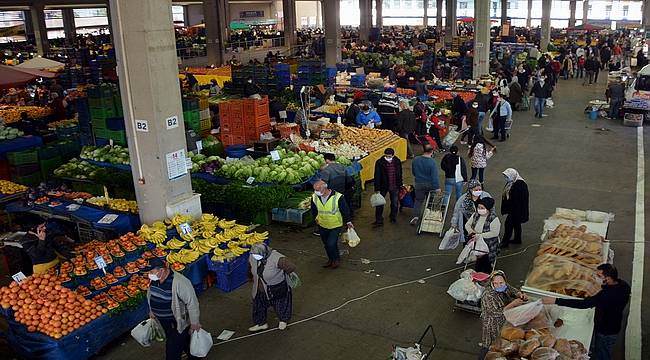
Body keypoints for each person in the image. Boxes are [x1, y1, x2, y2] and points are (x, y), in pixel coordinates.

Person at [542, 264, 631, 360]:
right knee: (602, 348)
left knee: (603, 353)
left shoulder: (606, 295)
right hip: (614, 323)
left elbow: (584, 304)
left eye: (599, 276)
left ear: (608, 278)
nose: (596, 278)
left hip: (605, 330)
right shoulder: (624, 285)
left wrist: (556, 301)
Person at [147, 258, 201, 360]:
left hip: (177, 322)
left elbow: (192, 303)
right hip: (164, 322)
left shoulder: (180, 282)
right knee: (184, 341)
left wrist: (195, 323)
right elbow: (150, 294)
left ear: (161, 270)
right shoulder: (154, 280)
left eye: (151, 271)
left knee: (172, 352)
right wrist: (151, 310)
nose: (149, 274)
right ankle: (195, 357)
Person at [478, 270, 529, 360]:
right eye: (495, 283)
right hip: (492, 323)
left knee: (502, 342)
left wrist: (520, 294)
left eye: (501, 283)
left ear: (504, 281)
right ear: (491, 283)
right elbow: (495, 313)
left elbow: (511, 290)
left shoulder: (504, 285)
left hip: (504, 320)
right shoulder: (488, 295)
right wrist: (513, 304)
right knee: (489, 344)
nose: (499, 285)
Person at [248, 243, 296, 332]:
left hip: (277, 287)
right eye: (254, 255)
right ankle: (261, 323)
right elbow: (251, 267)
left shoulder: (277, 258)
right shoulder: (252, 256)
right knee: (258, 305)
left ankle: (283, 320)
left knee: (281, 303)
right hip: (259, 287)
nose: (255, 257)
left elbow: (291, 267)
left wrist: (282, 274)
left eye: (257, 255)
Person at [311, 180, 353, 269]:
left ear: (324, 188)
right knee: (326, 244)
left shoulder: (338, 197)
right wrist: (316, 219)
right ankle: (330, 259)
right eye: (315, 190)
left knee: (331, 243)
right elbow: (314, 210)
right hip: (322, 224)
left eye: (317, 190)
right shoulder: (314, 197)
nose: (316, 192)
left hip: (335, 225)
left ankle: (336, 259)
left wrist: (348, 222)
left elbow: (345, 210)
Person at [450, 180, 493, 245]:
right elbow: (456, 212)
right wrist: (454, 224)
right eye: (476, 189)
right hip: (468, 226)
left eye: (480, 189)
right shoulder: (463, 199)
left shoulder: (486, 196)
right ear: (470, 190)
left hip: (482, 225)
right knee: (468, 243)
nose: (479, 191)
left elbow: (492, 209)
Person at [465, 197, 501, 273]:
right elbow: (467, 225)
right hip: (476, 241)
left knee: (483, 259)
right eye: (479, 207)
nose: (479, 209)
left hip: (488, 244)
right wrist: (471, 231)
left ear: (488, 209)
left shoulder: (493, 219)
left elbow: (494, 233)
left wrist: (480, 235)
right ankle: (480, 272)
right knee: (480, 258)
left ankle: (485, 272)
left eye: (482, 208)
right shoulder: (475, 215)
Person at [409, 144, 441, 225]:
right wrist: (437, 187)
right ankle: (428, 216)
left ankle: (415, 217)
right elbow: (434, 176)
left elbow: (413, 172)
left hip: (419, 183)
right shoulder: (432, 162)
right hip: (430, 185)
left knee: (418, 201)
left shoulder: (416, 159)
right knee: (430, 201)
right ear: (432, 151)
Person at [500, 168, 529, 248]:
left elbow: (519, 199)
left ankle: (505, 242)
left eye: (507, 176)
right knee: (516, 224)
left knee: (508, 224)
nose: (506, 178)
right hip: (514, 209)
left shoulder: (520, 185)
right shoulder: (512, 182)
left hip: (516, 210)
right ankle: (517, 239)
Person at [373, 148, 403, 225]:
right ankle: (379, 219)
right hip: (383, 186)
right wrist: (377, 188)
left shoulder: (397, 162)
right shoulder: (380, 163)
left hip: (395, 185)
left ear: (393, 155)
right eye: (386, 156)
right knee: (379, 203)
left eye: (389, 156)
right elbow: (377, 176)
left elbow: (400, 173)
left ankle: (393, 217)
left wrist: (400, 184)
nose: (388, 158)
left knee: (394, 203)